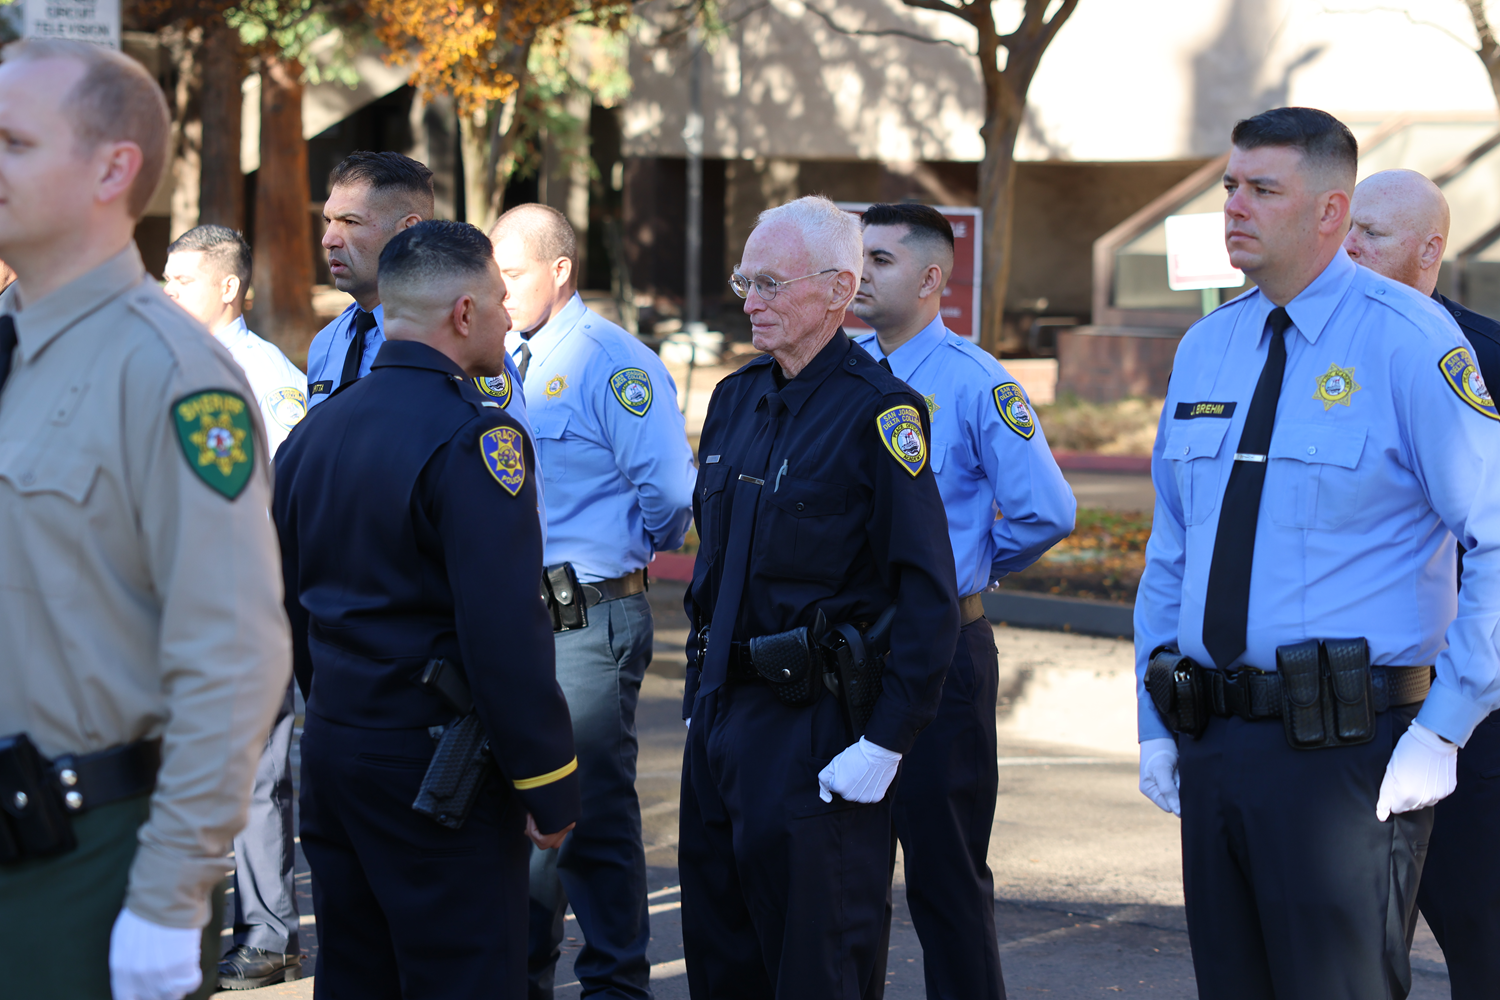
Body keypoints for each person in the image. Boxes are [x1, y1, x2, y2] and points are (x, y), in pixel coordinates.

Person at [1134, 107, 1500, 1000]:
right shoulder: (1207, 345)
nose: (1235, 207)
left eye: (1264, 189)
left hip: (1350, 749)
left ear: (1332, 212)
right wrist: (1154, 715)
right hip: (1215, 737)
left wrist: (1448, 723)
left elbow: (1494, 535)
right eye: (1230, 186)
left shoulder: (1410, 340)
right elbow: (1172, 551)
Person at [0, 37, 291, 1000]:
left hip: (83, 860)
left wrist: (167, 902)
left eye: (13, 141)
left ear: (111, 168)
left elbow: (235, 652)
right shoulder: (16, 352)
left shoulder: (172, 374)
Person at [272, 219, 580, 998]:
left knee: (356, 972)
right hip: (438, 770)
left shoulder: (314, 436)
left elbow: (290, 606)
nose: (510, 318)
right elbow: (505, 632)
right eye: (500, 302)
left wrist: (340, 698)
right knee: (465, 976)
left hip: (338, 749)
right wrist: (546, 780)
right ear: (464, 314)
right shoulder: (476, 442)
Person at [680, 194, 960, 999]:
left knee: (818, 965)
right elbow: (715, 568)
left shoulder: (879, 414)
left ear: (839, 291)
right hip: (722, 717)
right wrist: (705, 693)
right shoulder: (736, 399)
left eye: (770, 282)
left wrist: (886, 740)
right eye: (744, 281)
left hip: (815, 728)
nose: (750, 301)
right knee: (722, 956)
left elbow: (926, 591)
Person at [848, 202, 1075, 1000]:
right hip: (846, 657)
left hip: (940, 655)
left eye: (879, 260)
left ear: (931, 278)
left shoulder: (977, 382)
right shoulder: (843, 372)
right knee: (845, 881)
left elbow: (1049, 510)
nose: (860, 273)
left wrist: (959, 574)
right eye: (856, 257)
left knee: (944, 879)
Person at [489, 202, 695, 1000]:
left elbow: (670, 497)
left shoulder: (614, 360)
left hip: (587, 613)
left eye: (512, 274)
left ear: (559, 270)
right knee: (527, 810)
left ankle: (614, 982)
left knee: (590, 815)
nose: (498, 291)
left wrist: (617, 560)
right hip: (518, 613)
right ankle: (526, 976)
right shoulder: (498, 354)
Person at [1343, 168, 1500, 1000]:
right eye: (1345, 227)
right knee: (1353, 957)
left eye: (1372, 231)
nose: (1350, 244)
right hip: (1340, 710)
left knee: (1484, 936)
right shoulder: (1300, 347)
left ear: (1430, 249)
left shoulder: (1488, 357)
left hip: (1470, 710)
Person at [162, 224, 306, 988]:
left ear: (226, 287)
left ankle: (270, 929)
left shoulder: (266, 376)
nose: (167, 294)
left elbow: (285, 500)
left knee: (254, 772)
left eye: (181, 281)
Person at [305, 151, 527, 430]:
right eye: (328, 221)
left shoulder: (462, 347)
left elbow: (502, 461)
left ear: (409, 231)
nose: (328, 240)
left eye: (350, 222)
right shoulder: (327, 343)